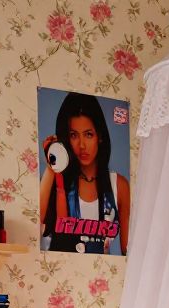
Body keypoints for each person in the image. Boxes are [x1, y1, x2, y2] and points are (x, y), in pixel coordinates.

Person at [39, 92, 130, 255]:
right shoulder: (55, 181)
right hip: (56, 270)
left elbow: (129, 253)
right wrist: (52, 165)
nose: (82, 145)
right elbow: (32, 230)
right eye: (73, 135)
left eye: (88, 134)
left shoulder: (119, 186)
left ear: (99, 136)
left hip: (103, 271)